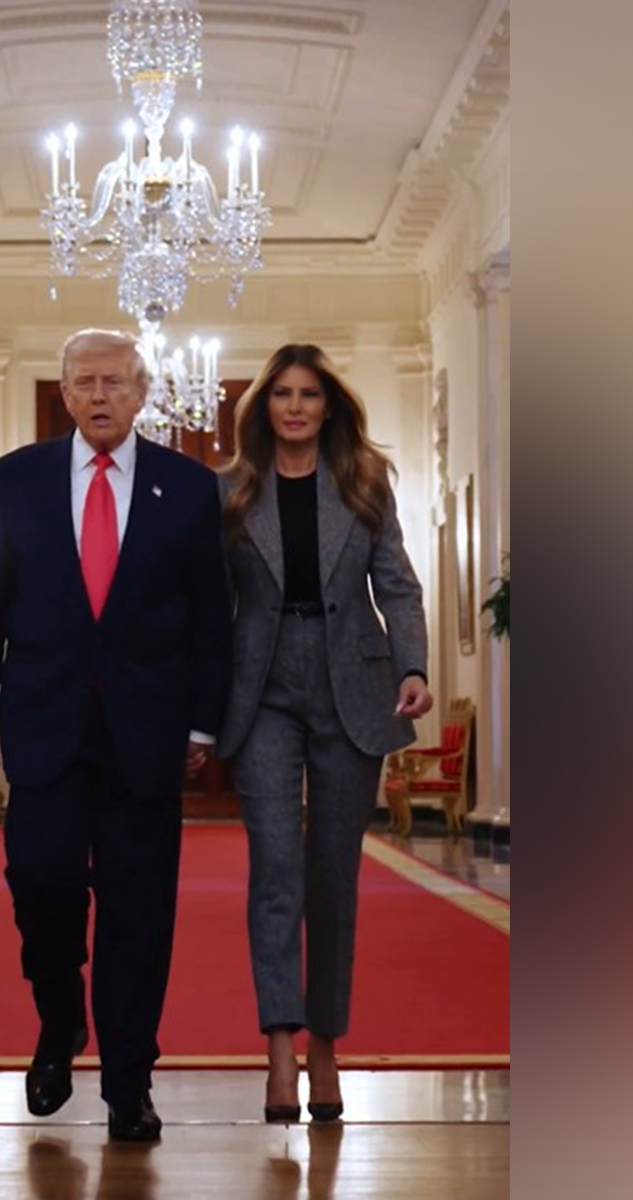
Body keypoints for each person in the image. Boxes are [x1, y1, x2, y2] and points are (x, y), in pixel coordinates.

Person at [0, 328, 231, 1142]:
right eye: (85, 382)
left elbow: (212, 619)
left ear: (143, 393)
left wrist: (204, 721)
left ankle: (127, 1083)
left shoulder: (187, 487)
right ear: (66, 395)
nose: (101, 394)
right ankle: (58, 1017)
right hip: (42, 722)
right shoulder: (17, 480)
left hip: (146, 731)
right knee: (40, 883)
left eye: (116, 380)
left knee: (140, 913)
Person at [216, 344, 433, 1124]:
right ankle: (278, 1045)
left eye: (309, 394)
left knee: (332, 876)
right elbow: (210, 604)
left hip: (353, 684)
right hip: (263, 688)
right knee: (275, 867)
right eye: (281, 394)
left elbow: (398, 584)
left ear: (328, 406)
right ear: (263, 407)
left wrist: (412, 665)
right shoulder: (232, 490)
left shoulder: (364, 483)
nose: (296, 407)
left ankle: (326, 1047)